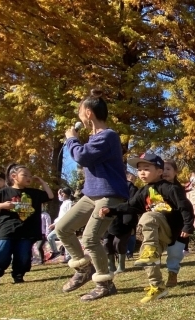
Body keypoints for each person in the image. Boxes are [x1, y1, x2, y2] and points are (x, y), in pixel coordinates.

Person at [57, 89, 130, 301]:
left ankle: (105, 284)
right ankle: (83, 269)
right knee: (63, 228)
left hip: (109, 195)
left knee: (90, 238)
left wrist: (71, 139)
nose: (79, 116)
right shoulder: (95, 137)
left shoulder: (108, 136)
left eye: (80, 111)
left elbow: (82, 156)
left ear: (88, 113)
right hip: (91, 194)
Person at [99, 152, 194, 303]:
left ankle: (152, 252)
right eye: (139, 169)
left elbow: (185, 207)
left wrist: (188, 226)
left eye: (146, 168)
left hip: (169, 228)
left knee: (148, 216)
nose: (142, 172)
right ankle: (157, 287)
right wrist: (112, 210)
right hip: (156, 232)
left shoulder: (169, 188)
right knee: (146, 257)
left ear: (159, 171)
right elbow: (130, 206)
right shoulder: (143, 191)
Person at [0, 164, 53, 286]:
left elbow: (50, 196)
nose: (29, 178)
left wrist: (42, 183)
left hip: (27, 231)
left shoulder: (34, 193)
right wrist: (3, 205)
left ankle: (18, 274)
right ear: (14, 176)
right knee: (2, 252)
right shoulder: (3, 192)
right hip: (7, 229)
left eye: (30, 176)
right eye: (25, 175)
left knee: (23, 255)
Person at [162, 159, 191, 289]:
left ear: (175, 172)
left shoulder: (178, 190)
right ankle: (155, 279)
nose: (165, 172)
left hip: (177, 225)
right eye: (162, 169)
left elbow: (186, 209)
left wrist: (187, 226)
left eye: (168, 169)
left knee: (175, 251)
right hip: (160, 225)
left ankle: (172, 273)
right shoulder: (153, 188)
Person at [104, 177, 138, 274]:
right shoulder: (104, 184)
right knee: (106, 242)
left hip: (123, 218)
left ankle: (121, 266)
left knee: (118, 242)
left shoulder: (129, 186)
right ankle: (111, 266)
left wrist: (131, 221)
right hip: (107, 217)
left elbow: (133, 203)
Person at [47, 187, 74, 261]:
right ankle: (58, 253)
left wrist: (55, 224)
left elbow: (66, 215)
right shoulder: (64, 203)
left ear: (65, 194)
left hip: (63, 225)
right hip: (60, 224)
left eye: (62, 194)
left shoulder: (69, 203)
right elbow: (60, 199)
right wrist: (59, 193)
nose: (60, 195)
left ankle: (67, 256)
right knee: (56, 238)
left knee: (59, 238)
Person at [125, 173, 139, 259]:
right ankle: (129, 252)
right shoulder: (133, 188)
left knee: (123, 234)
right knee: (131, 233)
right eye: (132, 179)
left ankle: (124, 252)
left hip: (121, 212)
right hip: (130, 213)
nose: (134, 181)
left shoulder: (119, 187)